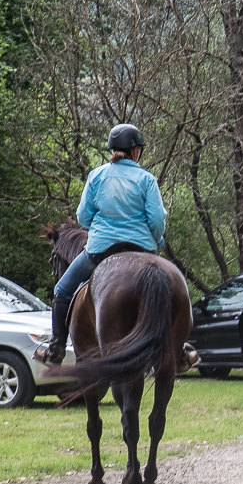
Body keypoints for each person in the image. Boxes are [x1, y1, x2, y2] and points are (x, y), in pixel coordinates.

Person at [36, 123, 167, 365]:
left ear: (112, 149)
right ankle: (178, 349)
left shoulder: (96, 176)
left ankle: (57, 348)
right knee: (168, 288)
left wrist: (100, 228)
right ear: (135, 150)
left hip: (100, 251)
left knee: (62, 290)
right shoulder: (147, 179)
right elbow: (157, 221)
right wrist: (156, 241)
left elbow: (83, 217)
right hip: (143, 251)